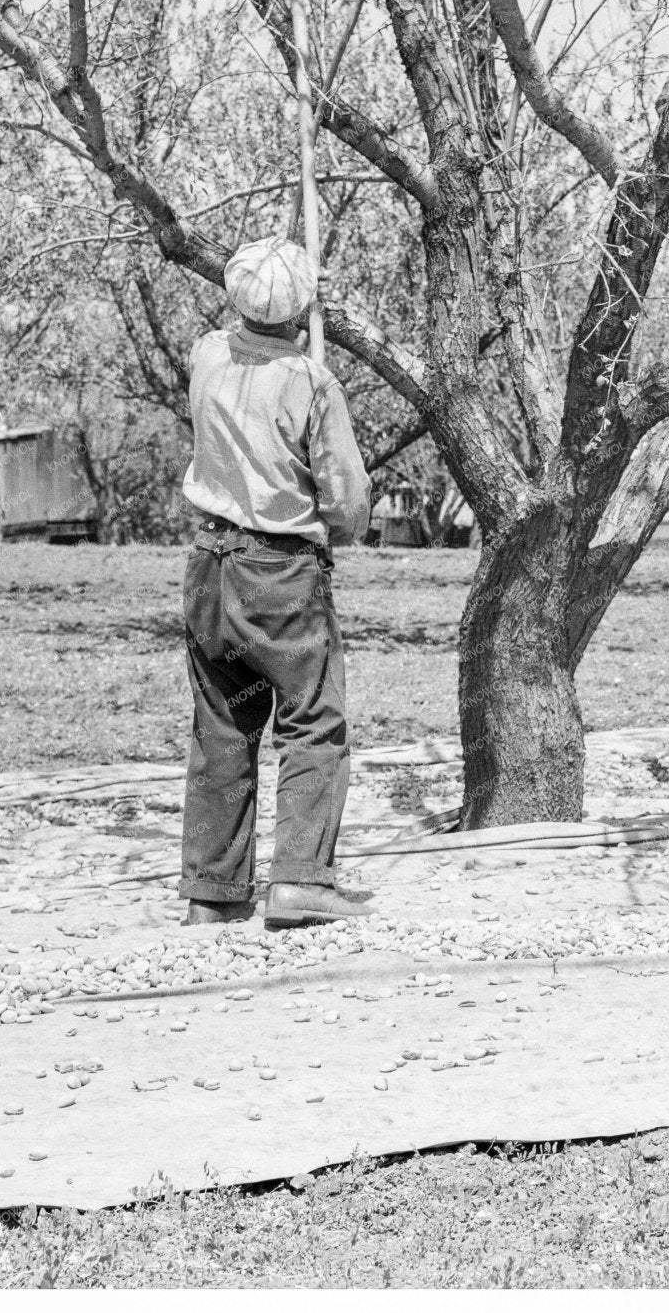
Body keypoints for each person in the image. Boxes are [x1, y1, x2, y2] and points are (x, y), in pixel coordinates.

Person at [178, 236, 374, 928]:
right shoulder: (311, 383)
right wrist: (345, 526)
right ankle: (298, 881)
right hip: (279, 572)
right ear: (306, 306)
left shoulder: (205, 355)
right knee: (312, 718)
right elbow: (346, 499)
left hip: (210, 566)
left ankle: (213, 892)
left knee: (226, 724)